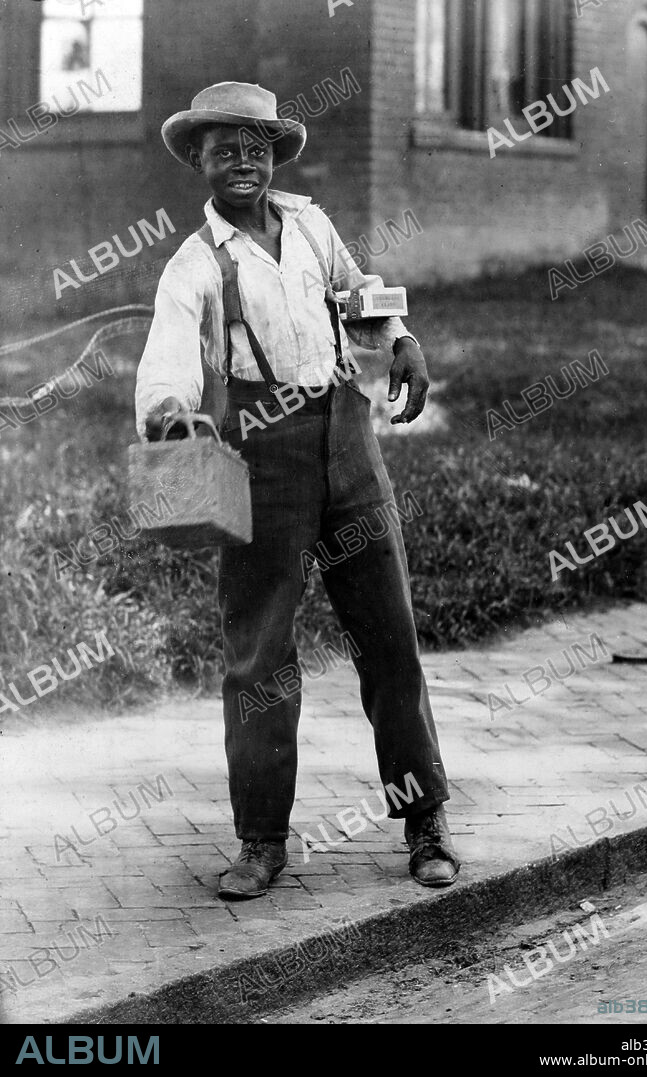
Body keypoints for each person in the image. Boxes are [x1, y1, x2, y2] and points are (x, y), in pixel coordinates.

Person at [135, 82, 459, 899]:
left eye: (256, 144)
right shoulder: (194, 265)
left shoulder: (311, 224)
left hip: (348, 449)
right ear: (198, 161)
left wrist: (402, 339)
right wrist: (171, 411)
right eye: (223, 147)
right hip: (259, 465)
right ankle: (260, 841)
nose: (241, 159)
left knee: (389, 639)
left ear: (274, 154)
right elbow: (169, 355)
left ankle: (425, 826)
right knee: (260, 659)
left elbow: (358, 292)